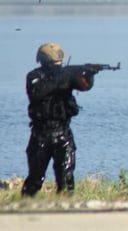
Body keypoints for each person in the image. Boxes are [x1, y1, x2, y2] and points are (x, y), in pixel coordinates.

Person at [22, 42, 96, 196]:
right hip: (41, 135)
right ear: (45, 61)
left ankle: (67, 209)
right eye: (56, 63)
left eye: (60, 63)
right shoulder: (34, 76)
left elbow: (84, 86)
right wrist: (61, 76)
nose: (59, 65)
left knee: (66, 178)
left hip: (63, 133)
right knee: (35, 179)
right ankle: (24, 206)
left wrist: (89, 75)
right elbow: (37, 93)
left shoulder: (66, 77)